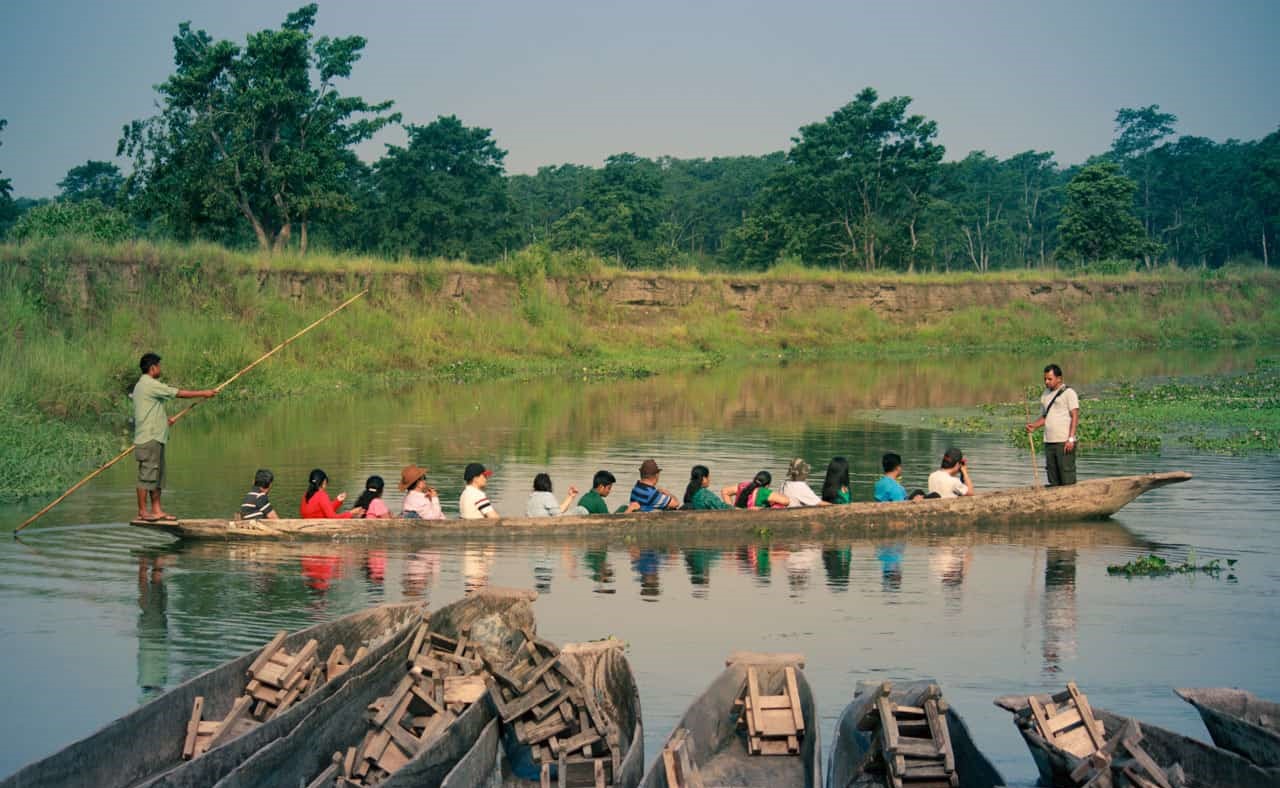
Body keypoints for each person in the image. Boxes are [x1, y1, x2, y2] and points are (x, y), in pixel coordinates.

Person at [131, 352, 216, 522]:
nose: (161, 369)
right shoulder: (148, 384)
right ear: (152, 367)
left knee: (158, 476)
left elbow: (151, 410)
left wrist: (165, 421)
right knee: (147, 476)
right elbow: (177, 393)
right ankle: (142, 511)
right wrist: (203, 393)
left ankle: (157, 510)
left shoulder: (145, 386)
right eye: (159, 366)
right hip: (149, 439)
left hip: (156, 437)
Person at [1025, 363, 1081, 486]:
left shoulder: (1069, 393)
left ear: (1059, 378)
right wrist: (1034, 426)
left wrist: (1071, 438)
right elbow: (1046, 417)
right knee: (1053, 477)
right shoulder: (1045, 394)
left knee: (1067, 477)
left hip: (1064, 442)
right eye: (1045, 379)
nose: (1046, 382)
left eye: (1050, 379)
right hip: (1049, 442)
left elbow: (1075, 416)